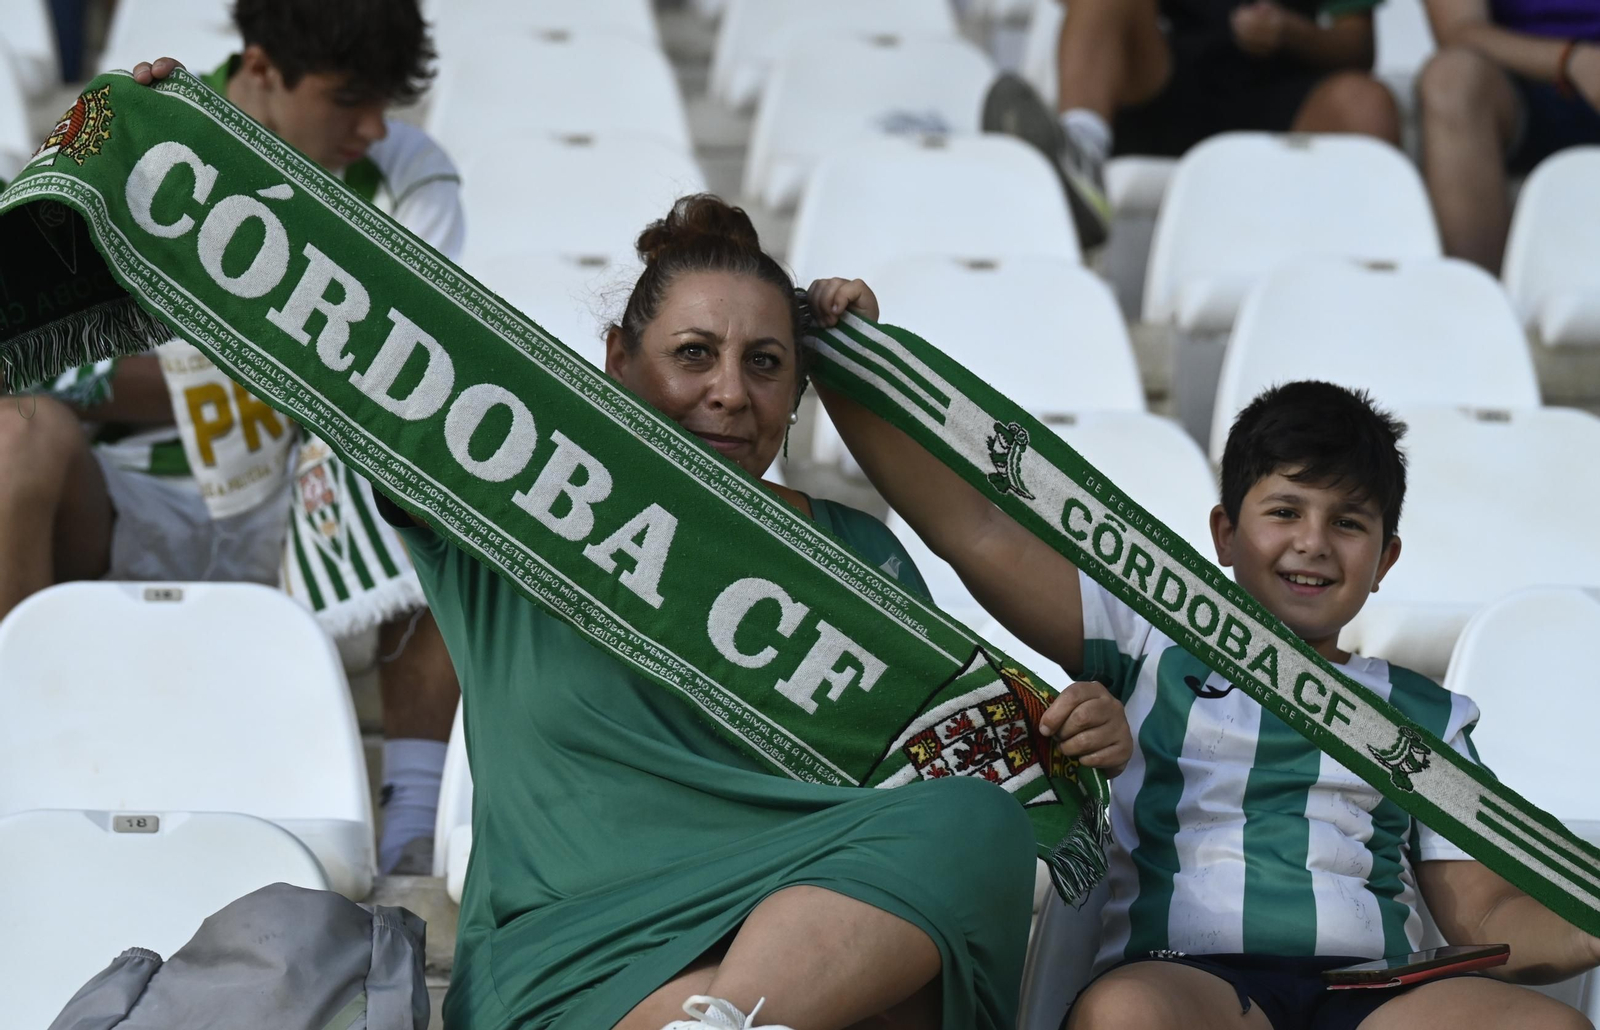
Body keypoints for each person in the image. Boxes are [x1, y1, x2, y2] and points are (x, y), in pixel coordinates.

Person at [375, 194, 1135, 1030]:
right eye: (693, 354)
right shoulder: (518, 507)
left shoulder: (856, 552)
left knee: (974, 823)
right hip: (573, 966)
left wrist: (1071, 737)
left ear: (802, 389)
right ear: (618, 361)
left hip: (791, 957)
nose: (730, 393)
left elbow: (934, 778)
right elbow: (372, 356)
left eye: (766, 363)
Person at [821, 364, 1600, 1029]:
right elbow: (977, 529)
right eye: (1285, 511)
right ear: (1225, 533)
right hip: (1192, 981)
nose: (1313, 543)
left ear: (1385, 558)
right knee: (1127, 1017)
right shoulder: (1149, 642)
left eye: (1349, 522)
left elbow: (1487, 918)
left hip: (1372, 994)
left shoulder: (1423, 712)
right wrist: (840, 361)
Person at [108, 0, 464, 876]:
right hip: (133, 492)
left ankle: (413, 828)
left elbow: (408, 377)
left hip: (317, 497)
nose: (376, 126)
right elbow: (58, 374)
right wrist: (268, 376)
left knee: (430, 453)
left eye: (386, 99)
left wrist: (201, 375)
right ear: (262, 68)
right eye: (350, 98)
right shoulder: (137, 135)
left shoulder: (411, 173)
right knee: (15, 440)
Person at [983, 0, 1403, 248]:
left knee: (1367, 104)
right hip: (1167, 84)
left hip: (1287, 97)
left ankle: (1362, 260)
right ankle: (1081, 160)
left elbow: (1358, 46)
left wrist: (1289, 32)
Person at [1417, 0, 1600, 271]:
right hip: (1522, 84)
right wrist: (1570, 59)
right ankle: (1477, 298)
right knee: (1450, 79)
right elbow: (1458, 30)